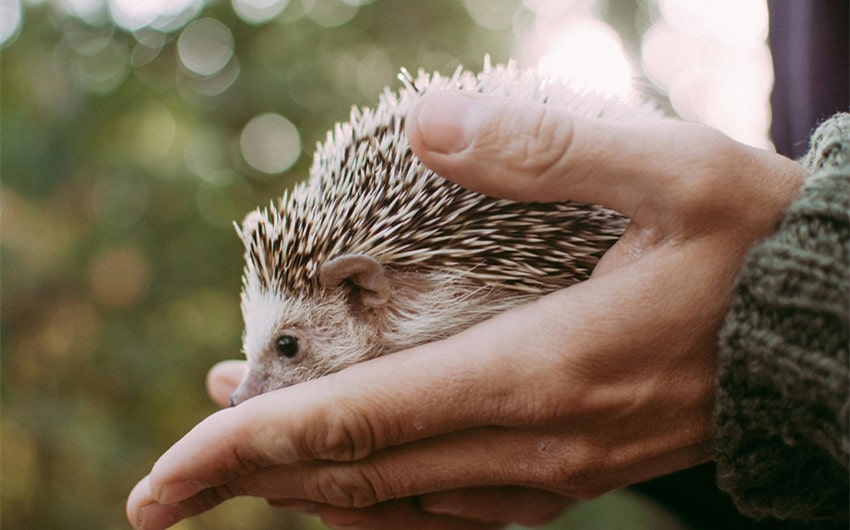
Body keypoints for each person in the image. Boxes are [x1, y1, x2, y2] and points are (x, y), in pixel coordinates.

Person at [125, 79, 849, 529]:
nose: (251, 392)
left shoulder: (430, 295)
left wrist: (774, 311)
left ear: (360, 288)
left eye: (288, 349)